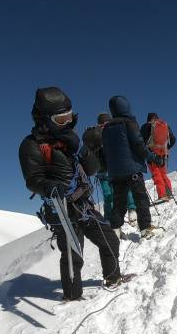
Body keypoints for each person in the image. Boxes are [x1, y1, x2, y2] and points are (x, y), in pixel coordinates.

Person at [18, 87, 122, 299]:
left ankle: (113, 278)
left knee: (109, 239)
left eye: (68, 117)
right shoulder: (31, 145)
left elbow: (92, 169)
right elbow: (32, 179)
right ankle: (73, 296)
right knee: (73, 254)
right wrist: (47, 186)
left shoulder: (70, 140)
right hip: (60, 208)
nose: (67, 123)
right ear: (45, 119)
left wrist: (84, 150)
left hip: (82, 203)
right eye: (60, 119)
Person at [101, 96, 163, 239]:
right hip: (132, 169)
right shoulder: (129, 123)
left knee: (119, 203)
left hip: (115, 172)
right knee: (140, 198)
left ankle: (115, 231)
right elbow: (139, 146)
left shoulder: (106, 129)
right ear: (126, 107)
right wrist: (154, 158)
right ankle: (146, 228)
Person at [83, 113, 138, 226]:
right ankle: (128, 211)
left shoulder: (93, 134)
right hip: (112, 169)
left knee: (110, 194)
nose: (104, 126)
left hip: (103, 170)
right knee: (119, 191)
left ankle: (112, 217)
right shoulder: (111, 132)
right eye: (102, 124)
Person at [141, 112, 176, 201]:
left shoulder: (146, 126)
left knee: (156, 174)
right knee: (163, 174)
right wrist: (166, 148)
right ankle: (169, 193)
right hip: (164, 154)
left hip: (152, 154)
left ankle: (162, 195)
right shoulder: (165, 125)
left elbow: (141, 142)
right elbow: (173, 139)